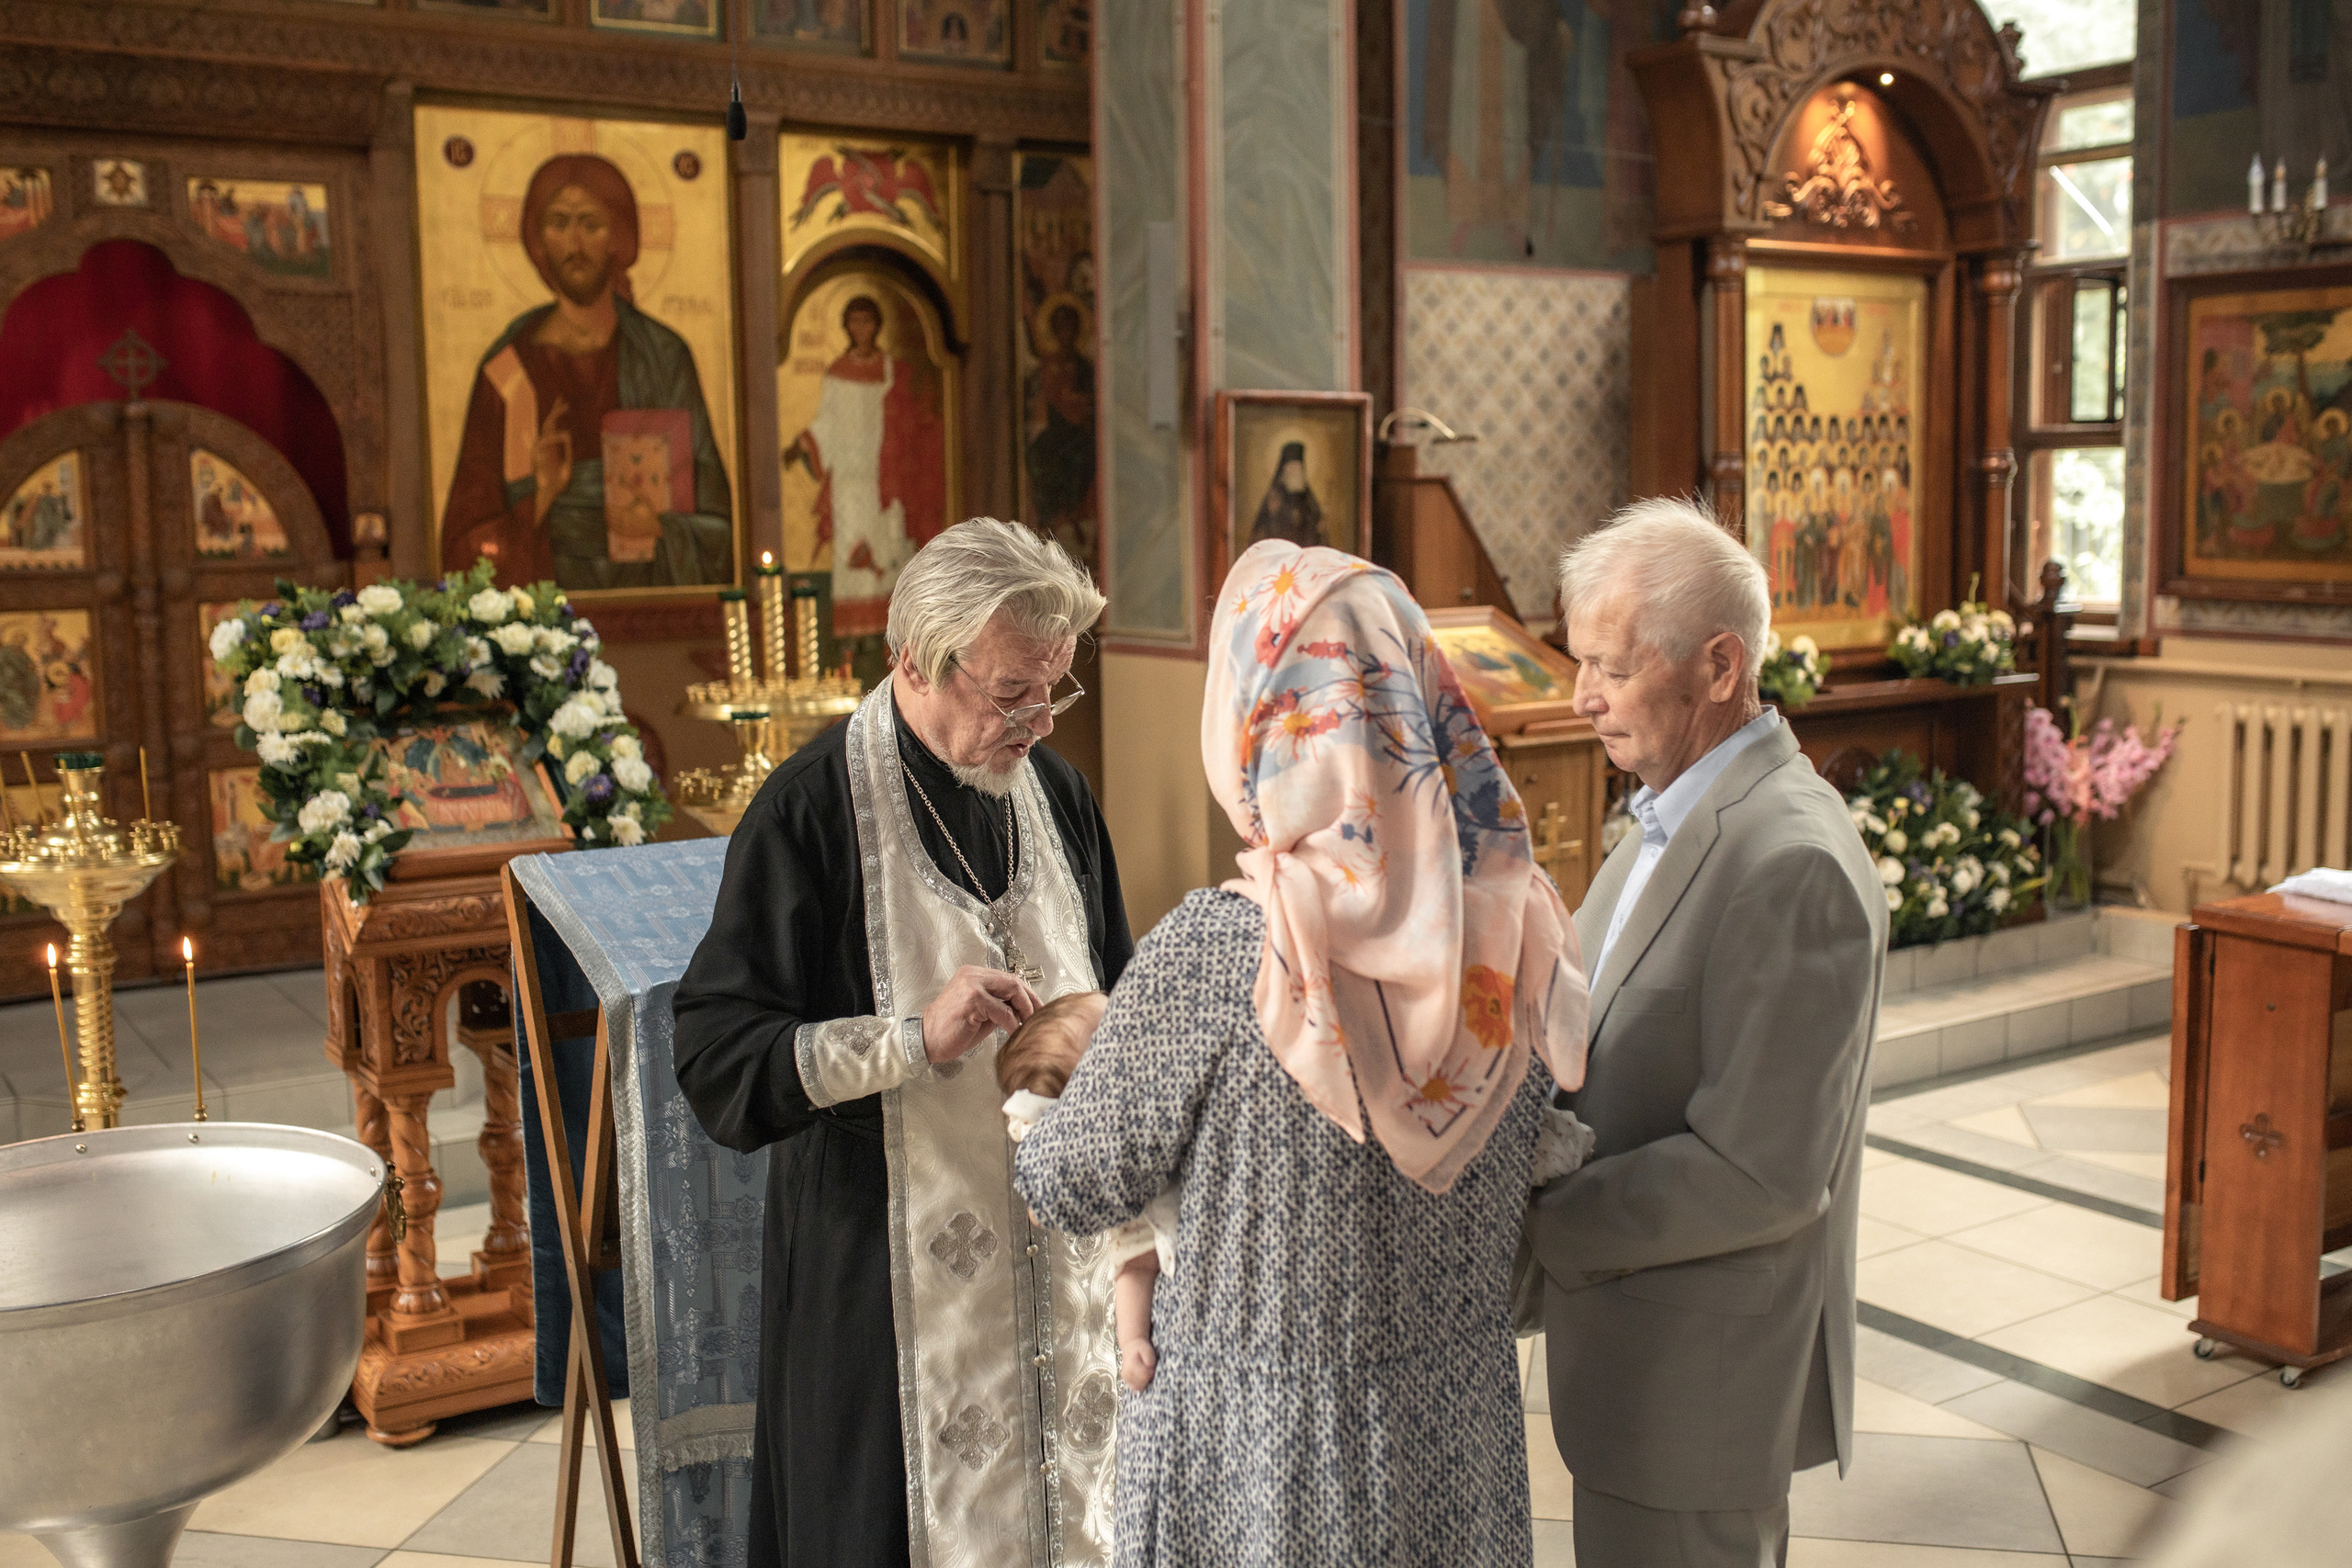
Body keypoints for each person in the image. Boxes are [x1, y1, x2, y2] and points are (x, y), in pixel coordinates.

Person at [1013, 541, 1590, 1566]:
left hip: (1251, 1464)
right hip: (1454, 1445)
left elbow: (1070, 1183)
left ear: (1259, 720)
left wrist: (1038, 1097)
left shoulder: (1224, 953)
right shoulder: (1522, 935)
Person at [672, 517, 1133, 1568]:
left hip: (1064, 1278)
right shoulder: (811, 811)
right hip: (881, 1285)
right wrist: (910, 1040)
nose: (1038, 722)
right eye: (1012, 691)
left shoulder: (1054, 795)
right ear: (916, 662)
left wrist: (1099, 1029)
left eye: (1054, 689)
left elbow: (1116, 980)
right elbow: (715, 1058)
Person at [1517, 497, 1886, 1568]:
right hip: (1639, 1351)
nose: (1581, 698)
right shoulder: (1671, 808)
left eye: (1610, 667)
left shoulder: (1788, 861)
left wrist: (1533, 1222)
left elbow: (1760, 1173)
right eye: (1577, 662)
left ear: (1719, 667)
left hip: (1697, 1378)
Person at [441, 152, 734, 591]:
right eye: (558, 223)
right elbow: (464, 538)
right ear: (537, 240)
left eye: (591, 224)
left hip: (650, 609)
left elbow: (718, 523)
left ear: (618, 237)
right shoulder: (508, 368)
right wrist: (540, 497)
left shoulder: (663, 356)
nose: (575, 244)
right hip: (543, 612)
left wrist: (659, 528)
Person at [995, 990, 1175, 1392]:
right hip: (1171, 1250)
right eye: (1106, 1041)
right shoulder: (1116, 1147)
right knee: (1133, 1261)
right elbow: (1133, 1263)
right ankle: (1131, 1344)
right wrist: (1133, 1343)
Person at [787, 293, 947, 638]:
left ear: (877, 325)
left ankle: (893, 630)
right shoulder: (837, 372)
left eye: (867, 321)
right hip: (849, 478)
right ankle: (853, 636)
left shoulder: (892, 371)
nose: (861, 328)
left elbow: (911, 415)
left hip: (886, 477)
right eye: (854, 321)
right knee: (851, 546)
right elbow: (826, 422)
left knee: (888, 544)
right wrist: (804, 444)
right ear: (845, 326)